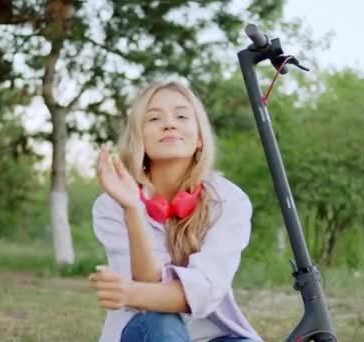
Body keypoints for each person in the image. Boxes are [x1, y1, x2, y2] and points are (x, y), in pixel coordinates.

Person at [88, 80, 262, 342]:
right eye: (154, 118)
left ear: (200, 137)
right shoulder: (111, 205)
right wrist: (133, 208)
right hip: (148, 331)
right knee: (163, 323)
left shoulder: (228, 200)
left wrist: (130, 293)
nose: (169, 124)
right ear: (139, 138)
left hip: (216, 336)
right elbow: (148, 298)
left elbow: (206, 291)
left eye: (181, 116)